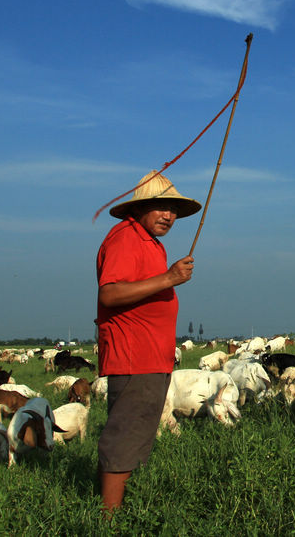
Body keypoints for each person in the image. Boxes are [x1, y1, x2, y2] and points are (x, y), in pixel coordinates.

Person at [95, 170, 201, 513]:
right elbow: (110, 294)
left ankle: (125, 509)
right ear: (139, 209)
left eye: (172, 209)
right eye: (160, 207)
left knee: (138, 435)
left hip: (152, 357)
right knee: (124, 435)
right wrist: (169, 277)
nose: (168, 215)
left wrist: (167, 276)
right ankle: (109, 518)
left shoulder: (151, 244)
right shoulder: (125, 238)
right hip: (133, 355)